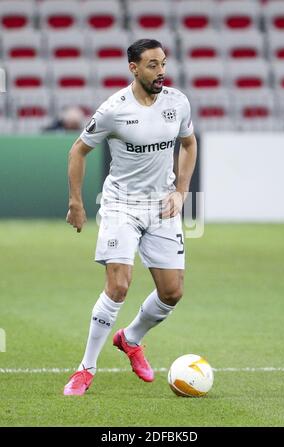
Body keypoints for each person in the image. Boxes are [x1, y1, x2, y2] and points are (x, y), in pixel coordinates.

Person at [63, 39, 197, 395]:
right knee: (119, 284)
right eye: (152, 65)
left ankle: (131, 338)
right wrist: (76, 203)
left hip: (161, 206)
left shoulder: (178, 103)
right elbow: (78, 151)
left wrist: (181, 192)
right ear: (133, 68)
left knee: (172, 292)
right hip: (122, 204)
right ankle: (85, 368)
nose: (161, 72)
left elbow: (189, 144)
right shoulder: (113, 110)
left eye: (163, 63)